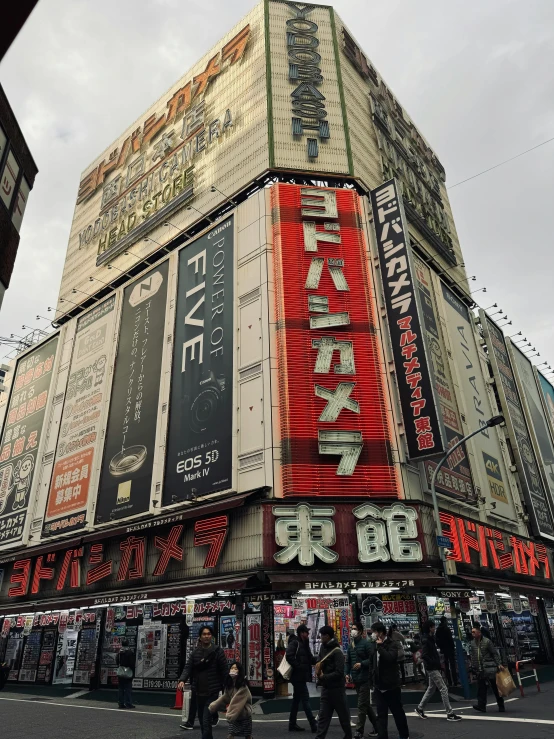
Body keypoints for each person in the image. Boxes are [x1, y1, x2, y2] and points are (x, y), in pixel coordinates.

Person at [178, 625, 228, 739]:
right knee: (202, 721)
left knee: (206, 721)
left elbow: (224, 671)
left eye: (209, 634)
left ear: (212, 636)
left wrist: (228, 689)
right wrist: (182, 680)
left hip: (212, 692)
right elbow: (188, 667)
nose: (206, 636)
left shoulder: (218, 652)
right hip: (198, 693)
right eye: (204, 634)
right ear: (200, 637)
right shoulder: (195, 653)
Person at [415, 621, 461, 722]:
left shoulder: (429, 639)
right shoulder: (427, 640)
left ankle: (420, 708)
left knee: (431, 688)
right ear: (430, 628)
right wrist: (433, 663)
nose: (434, 628)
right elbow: (425, 655)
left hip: (432, 666)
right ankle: (450, 713)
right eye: (433, 627)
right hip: (432, 667)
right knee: (443, 688)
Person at [370, 622, 409, 739]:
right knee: (381, 715)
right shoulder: (373, 645)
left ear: (380, 633)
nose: (372, 634)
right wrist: (371, 680)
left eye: (374, 632)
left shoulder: (392, 644)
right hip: (378, 685)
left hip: (391, 686)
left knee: (397, 712)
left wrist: (381, 646)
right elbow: (372, 662)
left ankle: (404, 735)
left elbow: (390, 658)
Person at [314, 625, 352, 739]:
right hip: (326, 689)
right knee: (323, 718)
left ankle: (348, 736)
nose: (320, 637)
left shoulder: (337, 652)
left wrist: (324, 676)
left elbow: (339, 672)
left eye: (322, 635)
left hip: (337, 690)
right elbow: (319, 660)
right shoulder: (322, 647)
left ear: (327, 636)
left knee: (344, 717)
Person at [346, 621, 378, 739]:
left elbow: (372, 660)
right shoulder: (351, 645)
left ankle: (359, 731)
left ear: (360, 631)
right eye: (351, 628)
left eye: (354, 629)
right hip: (356, 679)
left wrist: (361, 664)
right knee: (365, 705)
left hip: (365, 679)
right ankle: (378, 727)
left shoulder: (366, 644)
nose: (352, 631)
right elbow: (348, 661)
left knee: (361, 706)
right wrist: (347, 673)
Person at [286, 624, 317, 733]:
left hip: (301, 676)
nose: (308, 634)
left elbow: (309, 658)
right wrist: (298, 667)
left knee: (296, 700)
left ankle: (292, 724)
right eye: (306, 632)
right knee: (305, 699)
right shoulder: (295, 642)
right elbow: (288, 656)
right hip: (297, 676)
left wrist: (319, 660)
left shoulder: (304, 643)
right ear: (301, 633)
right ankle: (313, 724)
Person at [209, 662, 252, 739]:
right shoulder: (229, 684)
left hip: (244, 713)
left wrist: (230, 714)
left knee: (247, 735)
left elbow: (237, 701)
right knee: (231, 734)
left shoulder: (243, 686)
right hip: (234, 714)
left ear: (239, 671)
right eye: (232, 668)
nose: (233, 670)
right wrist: (214, 705)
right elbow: (225, 697)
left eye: (235, 668)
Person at [470, 622, 505, 713]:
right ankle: (481, 705)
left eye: (474, 632)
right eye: (472, 632)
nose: (472, 633)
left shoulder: (487, 641)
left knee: (495, 687)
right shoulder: (472, 643)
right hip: (480, 670)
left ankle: (501, 705)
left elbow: (494, 653)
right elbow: (473, 656)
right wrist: (473, 667)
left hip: (490, 668)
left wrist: (499, 664)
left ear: (479, 633)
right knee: (481, 688)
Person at [435, 616, 458, 686]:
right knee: (453, 665)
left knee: (446, 666)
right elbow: (450, 639)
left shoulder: (438, 630)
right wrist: (453, 647)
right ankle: (455, 681)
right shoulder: (447, 629)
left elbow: (436, 640)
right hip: (449, 649)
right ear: (445, 621)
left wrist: (441, 647)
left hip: (443, 650)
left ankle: (449, 682)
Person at [116, 639, 136, 709]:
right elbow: (132, 664)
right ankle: (128, 703)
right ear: (128, 644)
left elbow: (117, 661)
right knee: (128, 688)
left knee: (121, 688)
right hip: (128, 672)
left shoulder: (119, 653)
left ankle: (121, 703)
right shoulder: (130, 652)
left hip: (121, 671)